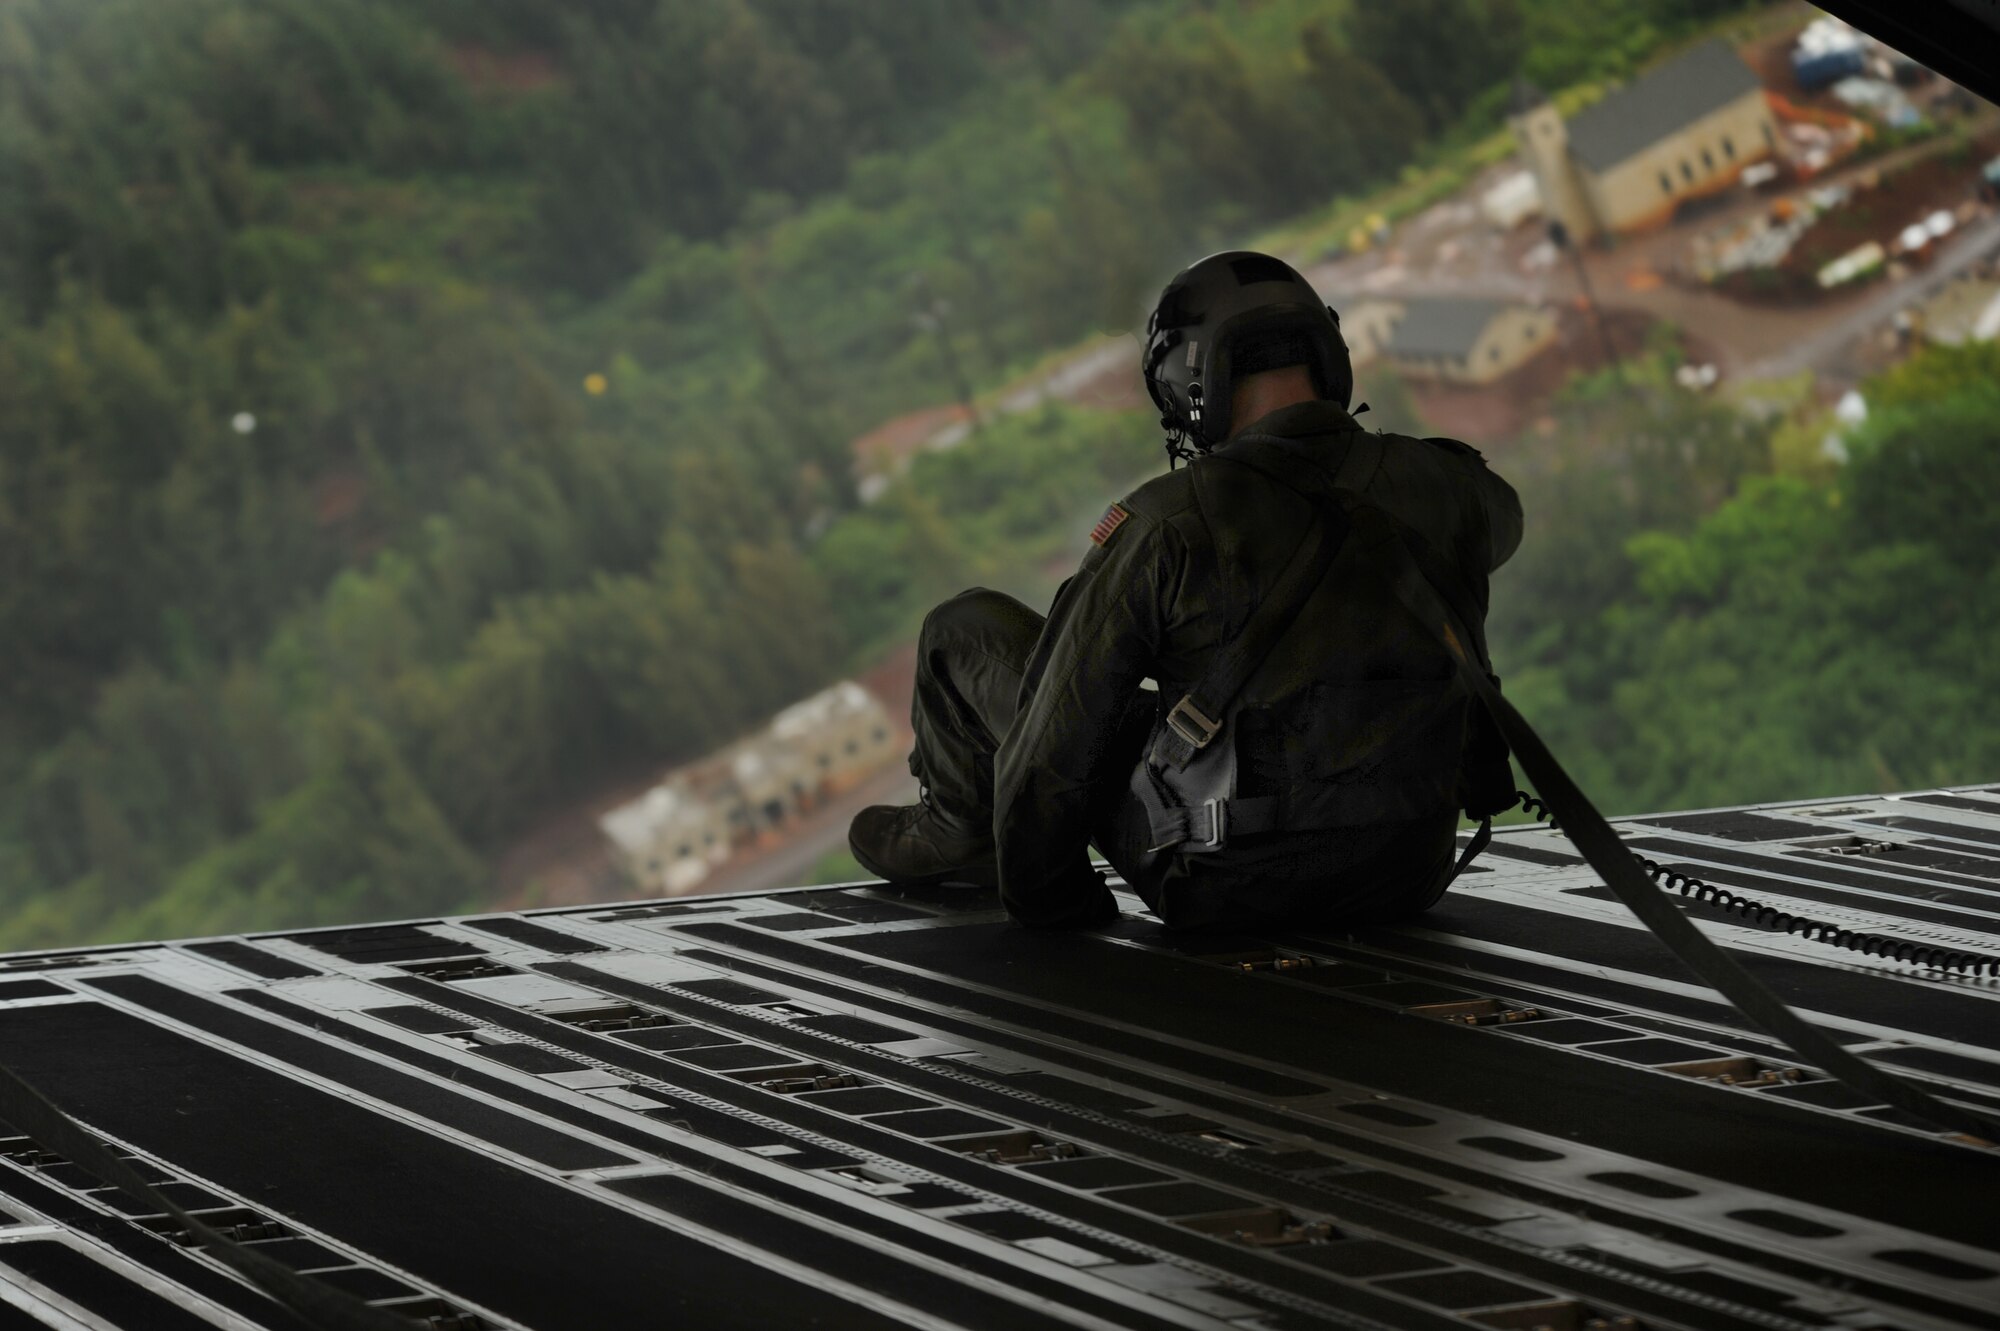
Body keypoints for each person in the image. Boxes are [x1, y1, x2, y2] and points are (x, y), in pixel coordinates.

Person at [848, 250, 1523, 930]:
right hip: (1408, 871)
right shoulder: (1451, 486)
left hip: (1230, 888)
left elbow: (1052, 749)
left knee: (961, 629)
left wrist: (1057, 913)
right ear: (1330, 359)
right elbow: (1501, 528)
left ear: (1185, 385)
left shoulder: (1166, 524)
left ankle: (958, 829)